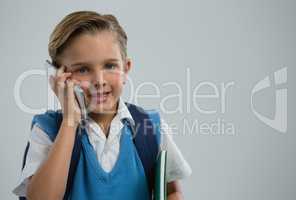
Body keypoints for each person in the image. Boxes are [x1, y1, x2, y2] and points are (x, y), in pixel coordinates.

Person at [13, 10, 191, 200]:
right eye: (83, 69)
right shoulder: (47, 130)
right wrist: (70, 122)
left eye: (110, 66)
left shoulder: (151, 127)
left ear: (126, 68)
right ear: (59, 76)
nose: (99, 80)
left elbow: (171, 189)